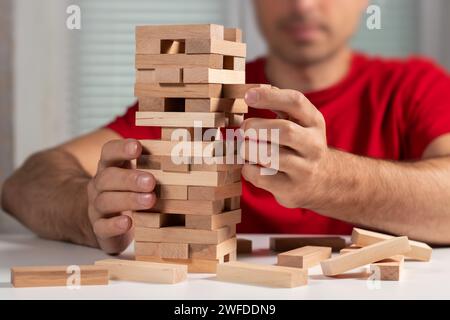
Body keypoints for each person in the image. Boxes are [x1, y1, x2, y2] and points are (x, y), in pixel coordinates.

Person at [2, 0, 450, 254]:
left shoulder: (415, 86)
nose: (302, 4)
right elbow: (26, 183)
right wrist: (90, 210)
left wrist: (331, 181)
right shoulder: (198, 93)